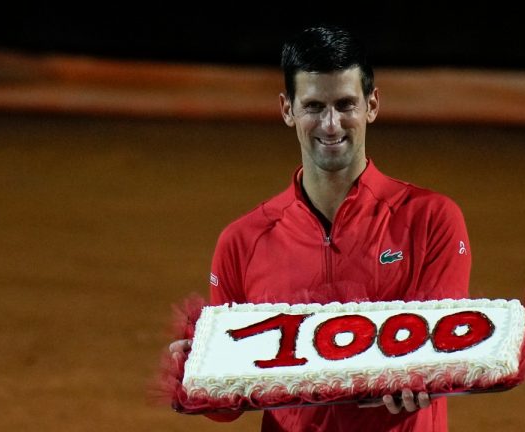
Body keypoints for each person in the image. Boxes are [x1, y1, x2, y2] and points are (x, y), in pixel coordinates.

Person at [169, 24, 471, 431]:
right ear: (287, 109)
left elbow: (443, 354)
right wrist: (198, 376)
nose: (331, 125)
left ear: (372, 105)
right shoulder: (242, 242)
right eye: (313, 106)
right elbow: (228, 405)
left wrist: (429, 378)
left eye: (346, 104)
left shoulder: (432, 220)